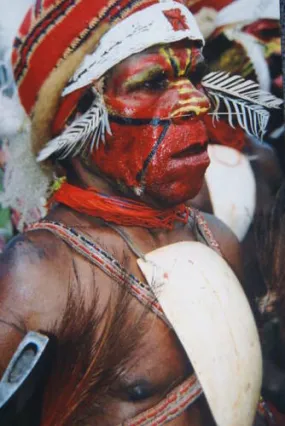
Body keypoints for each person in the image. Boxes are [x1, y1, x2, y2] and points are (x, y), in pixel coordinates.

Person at [0, 0, 279, 424]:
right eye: (151, 83)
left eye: (195, 77)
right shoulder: (44, 272)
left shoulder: (217, 239)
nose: (195, 102)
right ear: (75, 119)